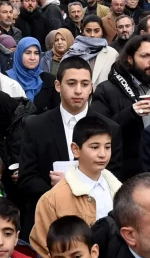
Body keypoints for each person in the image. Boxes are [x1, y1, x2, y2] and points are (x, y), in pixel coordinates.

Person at [18, 58, 123, 220]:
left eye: (85, 84)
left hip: (97, 219)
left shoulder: (110, 128)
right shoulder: (36, 126)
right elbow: (27, 178)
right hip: (50, 218)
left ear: (91, 88)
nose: (78, 91)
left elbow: (115, 176)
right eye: (72, 83)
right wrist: (60, 192)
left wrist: (77, 185)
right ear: (58, 86)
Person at [32, 116, 122, 258]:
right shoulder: (53, 199)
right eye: (94, 147)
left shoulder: (120, 191)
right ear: (75, 149)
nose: (102, 154)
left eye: (107, 147)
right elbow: (43, 252)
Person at [89, 36, 150, 179]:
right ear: (129, 59)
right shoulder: (107, 90)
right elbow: (97, 130)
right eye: (145, 56)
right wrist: (131, 113)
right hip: (125, 173)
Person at [7, 36, 55, 110]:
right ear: (19, 54)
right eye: (28, 53)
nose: (32, 58)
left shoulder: (48, 79)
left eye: (36, 53)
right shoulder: (6, 79)